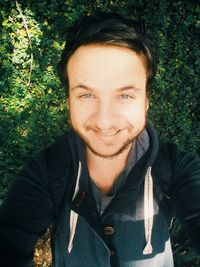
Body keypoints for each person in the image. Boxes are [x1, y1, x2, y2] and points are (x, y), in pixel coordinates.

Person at [0, 11, 200, 267]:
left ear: (146, 101)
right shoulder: (47, 172)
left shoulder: (175, 168)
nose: (104, 121)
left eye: (125, 96)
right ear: (68, 100)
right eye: (86, 95)